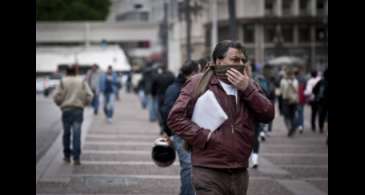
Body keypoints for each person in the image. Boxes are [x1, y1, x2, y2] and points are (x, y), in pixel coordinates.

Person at [167, 40, 275, 195]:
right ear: (219, 61)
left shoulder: (249, 84)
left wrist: (248, 89)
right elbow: (175, 118)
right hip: (208, 169)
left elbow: (268, 114)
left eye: (243, 60)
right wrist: (206, 136)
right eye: (234, 60)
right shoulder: (198, 83)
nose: (240, 64)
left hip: (239, 171)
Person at [161, 60, 200, 195]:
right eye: (199, 72)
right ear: (193, 73)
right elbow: (167, 111)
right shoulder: (175, 88)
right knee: (188, 166)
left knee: (191, 167)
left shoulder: (191, 86)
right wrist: (167, 131)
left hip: (192, 132)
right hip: (181, 133)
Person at [53, 65, 93, 165]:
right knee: (77, 134)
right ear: (75, 72)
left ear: (66, 72)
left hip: (66, 110)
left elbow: (56, 96)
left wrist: (60, 103)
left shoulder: (63, 81)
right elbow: (90, 95)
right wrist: (85, 103)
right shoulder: (81, 81)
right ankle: (76, 158)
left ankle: (67, 156)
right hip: (78, 110)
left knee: (66, 133)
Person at [151, 64, 176, 134]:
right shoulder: (171, 76)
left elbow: (153, 86)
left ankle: (162, 126)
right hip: (169, 96)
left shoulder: (158, 76)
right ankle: (168, 126)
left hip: (160, 96)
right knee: (168, 112)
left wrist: (153, 94)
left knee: (161, 112)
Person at [280, 67, 299, 137]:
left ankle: (290, 128)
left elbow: (281, 92)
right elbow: (297, 91)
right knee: (292, 115)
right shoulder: (295, 81)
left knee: (286, 116)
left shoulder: (283, 81)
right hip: (293, 100)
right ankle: (292, 127)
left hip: (286, 100)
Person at [313, 68, 328, 134]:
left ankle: (321, 127)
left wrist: (317, 96)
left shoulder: (321, 81)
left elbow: (314, 90)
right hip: (323, 101)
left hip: (322, 101)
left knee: (322, 114)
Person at [295, 66, 307, 133]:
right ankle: (301, 126)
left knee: (295, 113)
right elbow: (305, 90)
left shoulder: (293, 80)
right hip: (301, 98)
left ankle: (296, 125)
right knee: (301, 113)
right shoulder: (303, 79)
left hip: (294, 98)